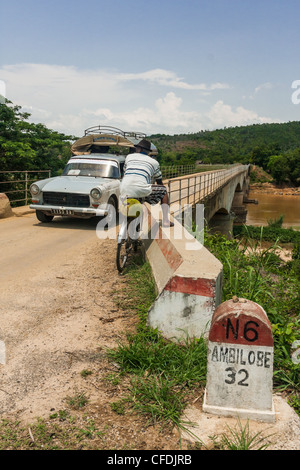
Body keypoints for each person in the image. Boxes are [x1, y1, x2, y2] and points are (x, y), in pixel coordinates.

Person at [120, 139, 174, 227]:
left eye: (137, 148)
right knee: (163, 190)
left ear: (140, 149)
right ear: (147, 151)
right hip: (141, 189)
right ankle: (165, 221)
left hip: (124, 188)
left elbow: (125, 172)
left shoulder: (129, 157)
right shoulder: (154, 162)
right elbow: (159, 182)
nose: (136, 149)